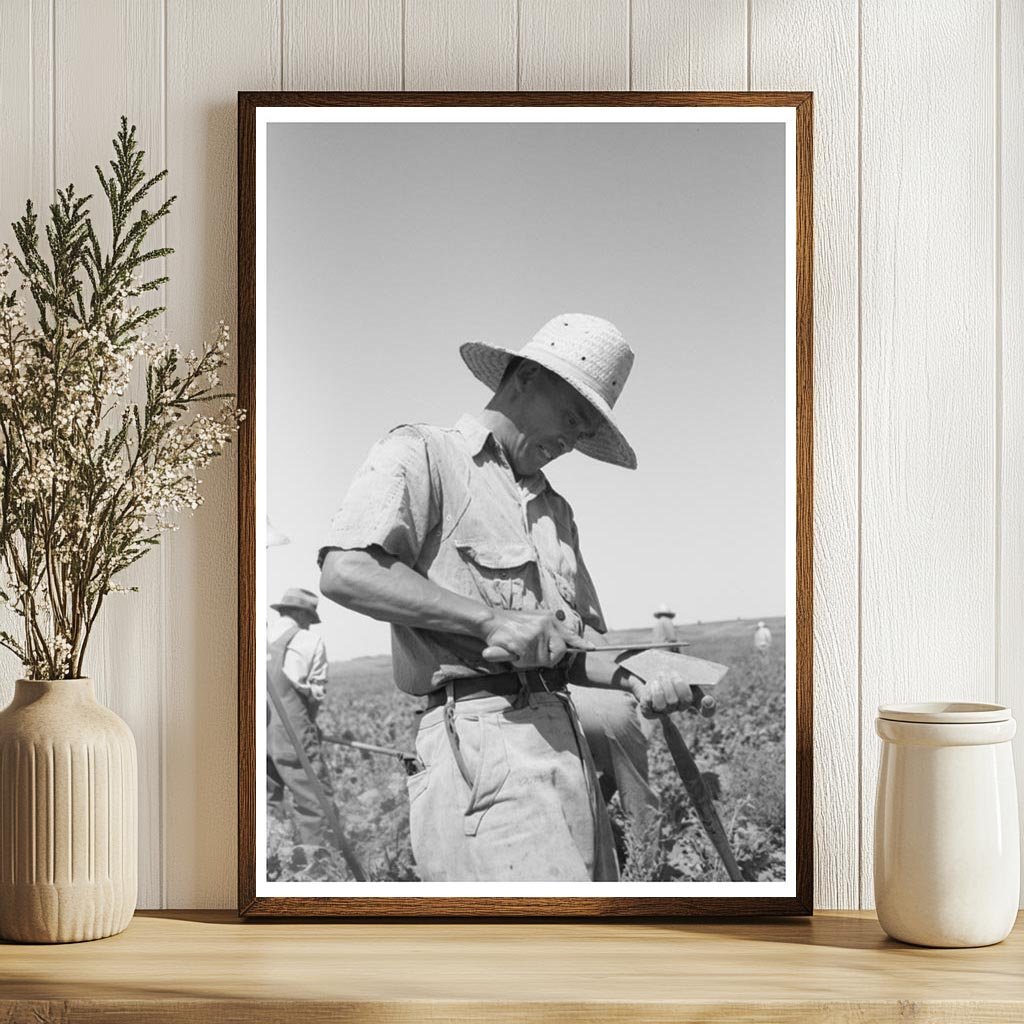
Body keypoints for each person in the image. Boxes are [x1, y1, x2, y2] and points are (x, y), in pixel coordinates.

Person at [318, 313, 693, 882]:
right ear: (524, 379)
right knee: (530, 954)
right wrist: (488, 621)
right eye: (571, 418)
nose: (570, 442)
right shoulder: (424, 454)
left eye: (584, 432)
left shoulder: (556, 510)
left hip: (565, 745)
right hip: (480, 740)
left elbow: (577, 648)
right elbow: (347, 571)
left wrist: (641, 677)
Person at [266, 587, 333, 847]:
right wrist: (309, 727)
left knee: (266, 801)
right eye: (309, 619)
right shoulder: (309, 641)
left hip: (258, 731)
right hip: (291, 734)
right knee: (314, 801)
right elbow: (316, 693)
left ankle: (270, 858)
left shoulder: (260, 635)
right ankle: (315, 867)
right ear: (301, 615)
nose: (308, 624)